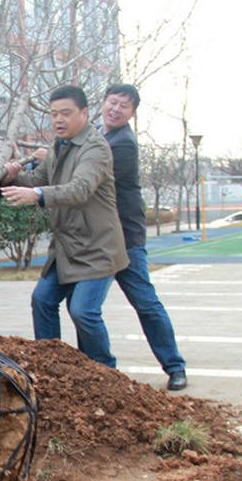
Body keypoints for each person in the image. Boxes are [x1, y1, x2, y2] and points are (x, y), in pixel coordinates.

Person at [1, 84, 128, 367]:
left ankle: (104, 370)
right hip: (66, 248)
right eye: (54, 114)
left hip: (97, 247)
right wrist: (11, 174)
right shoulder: (59, 146)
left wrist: (37, 195)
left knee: (83, 311)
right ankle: (52, 366)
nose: (58, 120)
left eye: (66, 113)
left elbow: (79, 189)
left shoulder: (95, 148)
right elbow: (37, 181)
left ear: (84, 113)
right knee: (43, 301)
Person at [101, 84, 187, 390]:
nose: (116, 109)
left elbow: (91, 174)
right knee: (80, 306)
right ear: (103, 103)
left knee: (145, 303)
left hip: (125, 237)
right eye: (113, 102)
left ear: (132, 113)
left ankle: (175, 366)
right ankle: (98, 369)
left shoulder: (123, 144)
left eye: (124, 106)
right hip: (97, 238)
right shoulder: (99, 133)